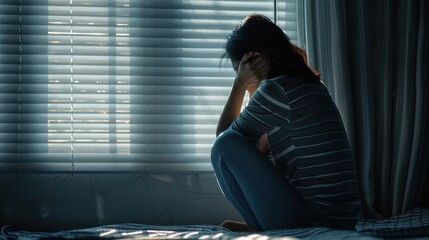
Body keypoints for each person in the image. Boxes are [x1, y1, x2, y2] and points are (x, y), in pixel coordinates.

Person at [211, 14, 361, 232]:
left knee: (225, 145)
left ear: (254, 60)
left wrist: (240, 84)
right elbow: (255, 150)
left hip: (314, 221)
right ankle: (262, 228)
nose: (241, 75)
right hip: (337, 219)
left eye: (240, 69)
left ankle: (262, 229)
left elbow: (224, 146)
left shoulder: (277, 89)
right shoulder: (307, 84)